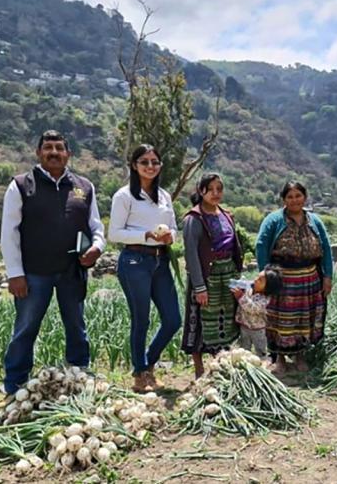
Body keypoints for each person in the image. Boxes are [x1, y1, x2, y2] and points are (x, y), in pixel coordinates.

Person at [0, 130, 105, 398]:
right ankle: (15, 386)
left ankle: (79, 379)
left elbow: (96, 227)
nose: (54, 152)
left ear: (69, 154)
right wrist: (15, 274)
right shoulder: (22, 185)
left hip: (72, 271)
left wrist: (97, 247)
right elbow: (9, 232)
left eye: (60, 148)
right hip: (34, 273)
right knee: (26, 328)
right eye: (48, 147)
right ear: (38, 152)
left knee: (76, 327)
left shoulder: (84, 186)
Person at [108, 144, 182, 393]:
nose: (150, 166)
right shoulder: (124, 196)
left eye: (154, 162)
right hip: (134, 261)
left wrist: (171, 237)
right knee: (141, 319)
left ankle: (148, 362)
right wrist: (145, 235)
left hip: (161, 261)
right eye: (144, 162)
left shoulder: (164, 196)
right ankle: (140, 373)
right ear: (134, 165)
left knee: (173, 319)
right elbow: (114, 233)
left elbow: (174, 229)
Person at [256, 181, 333, 374]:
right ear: (283, 200)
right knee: (281, 320)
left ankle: (300, 356)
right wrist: (265, 274)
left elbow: (326, 248)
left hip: (309, 279)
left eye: (298, 196)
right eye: (289, 197)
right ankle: (280, 359)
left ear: (305, 197)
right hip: (282, 280)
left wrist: (327, 276)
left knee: (304, 319)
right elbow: (261, 245)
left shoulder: (314, 220)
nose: (294, 200)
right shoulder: (274, 220)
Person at [181, 173, 244, 378]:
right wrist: (199, 286)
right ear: (201, 191)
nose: (216, 193)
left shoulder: (226, 214)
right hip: (206, 276)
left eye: (219, 189)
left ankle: (220, 364)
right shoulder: (194, 218)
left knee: (226, 318)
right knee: (200, 318)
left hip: (227, 274)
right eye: (211, 189)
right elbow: (191, 253)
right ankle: (199, 367)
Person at [231, 266, 283, 358]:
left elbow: (253, 308)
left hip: (258, 330)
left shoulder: (265, 300)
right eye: (257, 277)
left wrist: (241, 297)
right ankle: (246, 363)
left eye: (260, 280)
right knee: (244, 348)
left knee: (260, 349)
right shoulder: (250, 289)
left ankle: (263, 363)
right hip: (244, 326)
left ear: (267, 288)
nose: (255, 279)